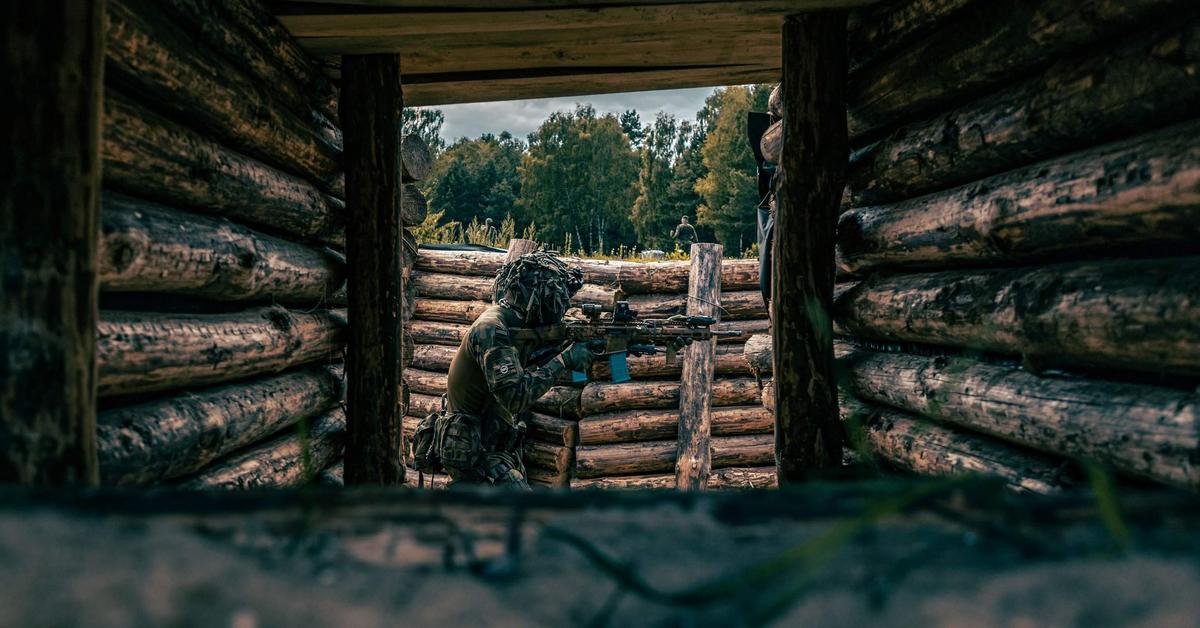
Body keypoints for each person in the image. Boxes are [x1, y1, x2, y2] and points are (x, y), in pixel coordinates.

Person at [439, 251, 595, 489]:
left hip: (493, 448)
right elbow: (515, 397)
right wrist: (564, 361)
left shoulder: (515, 327)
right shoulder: (492, 330)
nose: (558, 311)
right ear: (535, 300)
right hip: (474, 454)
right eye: (553, 301)